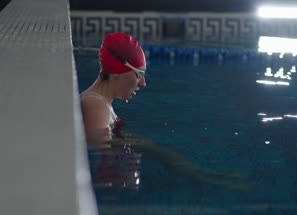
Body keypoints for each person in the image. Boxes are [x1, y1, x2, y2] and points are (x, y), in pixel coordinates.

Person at [80, 33, 249, 191]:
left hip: (111, 179)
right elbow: (97, 148)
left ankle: (204, 175)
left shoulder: (100, 102)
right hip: (106, 187)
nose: (142, 84)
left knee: (167, 156)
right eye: (138, 74)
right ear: (116, 72)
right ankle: (206, 178)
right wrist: (145, 147)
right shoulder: (96, 104)